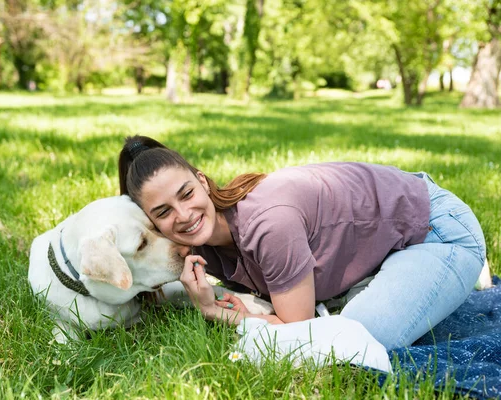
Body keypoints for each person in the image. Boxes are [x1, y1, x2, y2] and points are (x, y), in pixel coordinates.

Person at [118, 135, 486, 350]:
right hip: (381, 244)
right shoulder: (195, 246)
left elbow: (300, 330)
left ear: (202, 180)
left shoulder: (269, 223)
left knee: (349, 343)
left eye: (186, 194)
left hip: (435, 230)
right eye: (163, 212)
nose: (183, 215)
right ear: (151, 221)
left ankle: (456, 269)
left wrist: (214, 311)